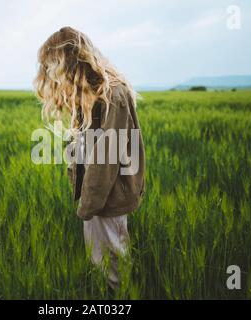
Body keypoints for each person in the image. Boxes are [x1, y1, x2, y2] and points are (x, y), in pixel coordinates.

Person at [34, 26, 145, 290]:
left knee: (114, 268)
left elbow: (105, 160)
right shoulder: (90, 93)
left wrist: (87, 205)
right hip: (95, 195)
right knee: (99, 261)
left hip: (109, 195)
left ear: (68, 61)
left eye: (52, 67)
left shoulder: (112, 95)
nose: (50, 75)